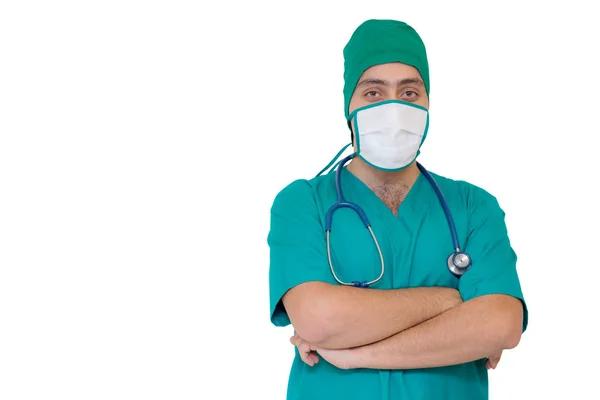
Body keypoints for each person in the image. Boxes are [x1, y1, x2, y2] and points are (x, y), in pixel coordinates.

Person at [267, 19, 528, 400]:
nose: (393, 108)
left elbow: (502, 324)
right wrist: (450, 300)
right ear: (348, 107)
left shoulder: (473, 206)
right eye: (373, 92)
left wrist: (354, 354)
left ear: (428, 103)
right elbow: (320, 318)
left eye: (409, 92)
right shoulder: (302, 202)